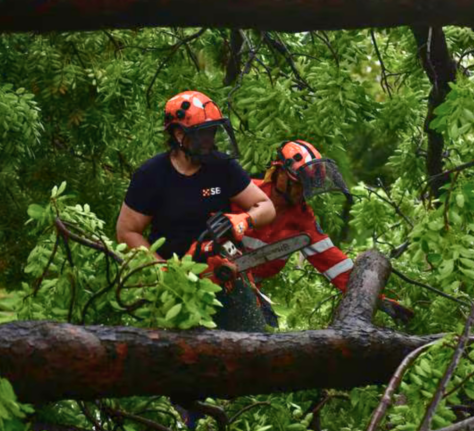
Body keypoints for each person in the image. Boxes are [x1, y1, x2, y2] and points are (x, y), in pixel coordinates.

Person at [233, 140, 414, 325]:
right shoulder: (241, 194)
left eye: (307, 186)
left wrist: (378, 299)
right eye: (298, 184)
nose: (302, 191)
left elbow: (334, 263)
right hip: (210, 278)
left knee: (266, 325)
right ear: (279, 173)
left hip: (245, 290)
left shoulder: (302, 220)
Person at [116, 90, 275, 262]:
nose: (208, 140)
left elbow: (267, 207)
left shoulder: (223, 167)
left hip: (221, 264)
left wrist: (245, 219)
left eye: (211, 132)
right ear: (179, 135)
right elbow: (126, 231)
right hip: (172, 268)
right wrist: (162, 270)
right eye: (201, 134)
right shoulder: (151, 175)